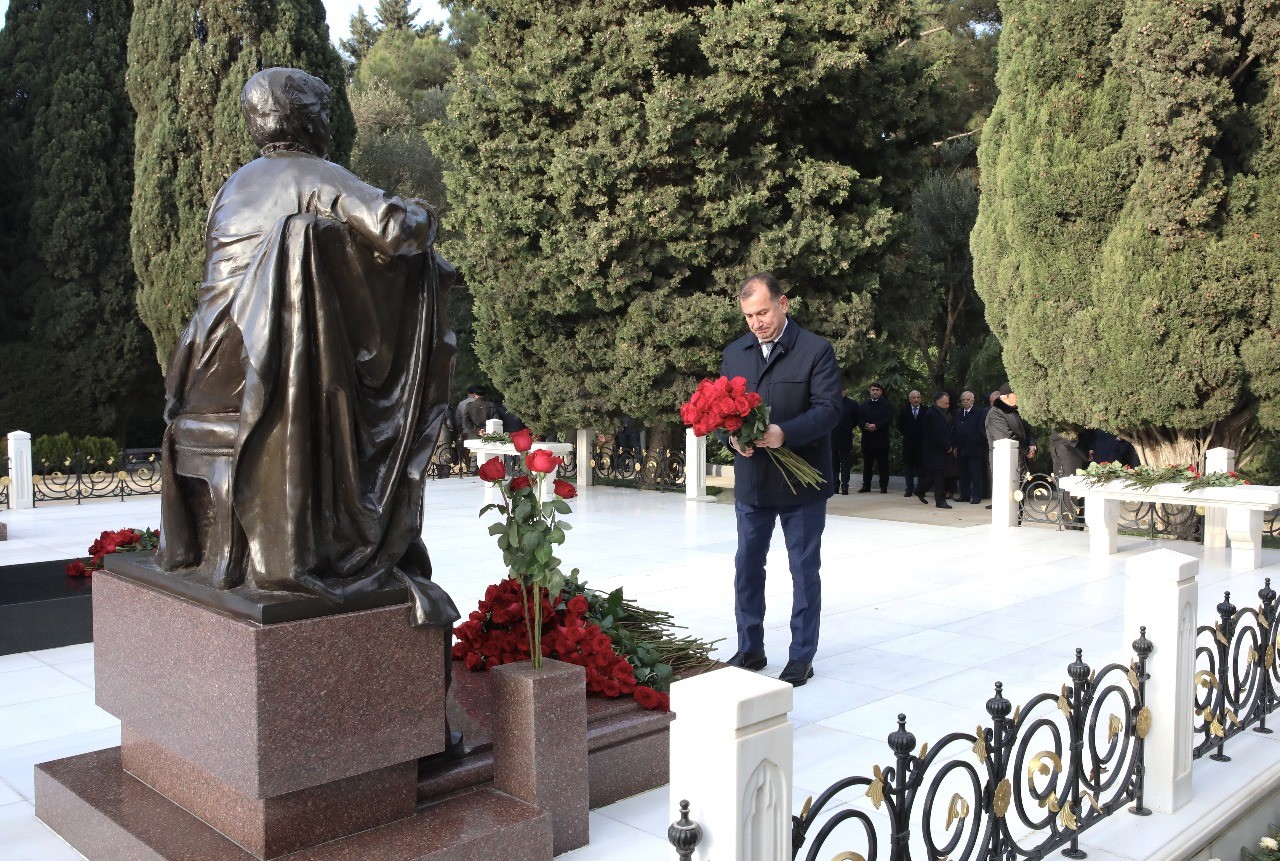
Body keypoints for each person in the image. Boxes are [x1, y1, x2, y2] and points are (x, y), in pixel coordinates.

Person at [158, 67, 456, 621]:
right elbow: (392, 229)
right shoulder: (317, 174)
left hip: (204, 369)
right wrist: (426, 215)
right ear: (311, 119)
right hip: (267, 370)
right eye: (323, 111)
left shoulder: (234, 185)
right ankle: (353, 527)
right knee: (363, 378)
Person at [720, 272, 841, 687]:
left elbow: (829, 410)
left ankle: (801, 656)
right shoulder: (735, 353)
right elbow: (724, 411)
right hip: (753, 483)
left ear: (783, 303)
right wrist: (733, 438)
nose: (757, 322)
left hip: (802, 487)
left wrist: (784, 433)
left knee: (804, 571)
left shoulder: (815, 351)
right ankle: (750, 649)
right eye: (749, 316)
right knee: (747, 567)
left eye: (763, 312)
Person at [986, 382, 1037, 479]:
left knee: (1025, 491)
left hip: (1022, 461)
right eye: (1017, 394)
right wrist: (1026, 450)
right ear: (1008, 396)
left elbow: (1027, 430)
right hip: (1006, 462)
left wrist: (1032, 445)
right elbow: (1006, 437)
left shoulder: (1016, 410)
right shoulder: (995, 414)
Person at [914, 392, 954, 508]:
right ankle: (940, 501)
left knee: (935, 475)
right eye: (945, 403)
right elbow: (936, 434)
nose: (947, 406)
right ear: (938, 402)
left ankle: (920, 490)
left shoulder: (939, 413)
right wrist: (947, 446)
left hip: (939, 451)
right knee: (939, 476)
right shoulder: (931, 415)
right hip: (935, 452)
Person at [858, 383, 894, 493]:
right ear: (870, 391)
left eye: (877, 390)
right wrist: (865, 425)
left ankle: (883, 486)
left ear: (881, 392)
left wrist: (876, 426)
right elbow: (859, 418)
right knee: (867, 465)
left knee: (883, 465)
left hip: (881, 440)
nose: (875, 392)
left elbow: (888, 419)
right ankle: (866, 486)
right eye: (873, 390)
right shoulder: (864, 405)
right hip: (867, 440)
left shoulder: (886, 405)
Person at [953, 391, 987, 504]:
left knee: (976, 474)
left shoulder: (979, 412)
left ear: (972, 400)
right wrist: (954, 445)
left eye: (967, 399)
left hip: (975, 449)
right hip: (961, 449)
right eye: (963, 400)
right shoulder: (958, 413)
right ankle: (964, 495)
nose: (965, 401)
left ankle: (976, 496)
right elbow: (955, 430)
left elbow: (981, 429)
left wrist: (975, 441)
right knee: (963, 474)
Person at [830, 389, 860, 495]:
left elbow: (857, 419)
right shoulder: (830, 402)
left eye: (841, 389)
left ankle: (845, 486)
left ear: (845, 390)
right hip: (832, 436)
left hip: (846, 437)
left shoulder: (852, 404)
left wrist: (848, 426)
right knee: (834, 463)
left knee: (845, 463)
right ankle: (834, 486)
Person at [897, 390, 926, 497]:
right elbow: (899, 426)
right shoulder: (904, 410)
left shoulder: (925, 410)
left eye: (918, 397)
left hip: (921, 444)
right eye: (914, 397)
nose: (916, 399)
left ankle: (920, 489)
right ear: (910, 399)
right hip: (908, 444)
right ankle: (909, 489)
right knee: (908, 469)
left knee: (921, 469)